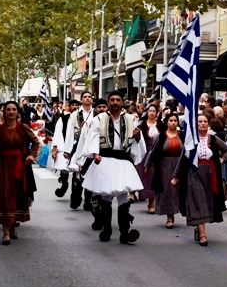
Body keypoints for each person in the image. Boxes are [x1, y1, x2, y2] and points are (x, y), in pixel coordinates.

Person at [81, 90, 143, 244]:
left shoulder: (130, 119)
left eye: (118, 100)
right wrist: (95, 153)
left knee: (123, 197)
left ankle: (124, 233)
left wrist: (137, 137)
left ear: (122, 102)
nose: (115, 102)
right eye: (112, 100)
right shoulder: (99, 119)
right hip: (105, 160)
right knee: (106, 197)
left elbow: (137, 143)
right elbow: (93, 137)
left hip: (122, 161)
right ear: (108, 102)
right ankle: (106, 230)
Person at [172, 114, 227, 246]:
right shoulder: (191, 140)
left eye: (205, 121)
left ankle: (198, 229)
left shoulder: (213, 139)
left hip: (210, 174)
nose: (203, 124)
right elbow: (183, 158)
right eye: (200, 121)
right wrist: (176, 176)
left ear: (208, 124)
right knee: (199, 201)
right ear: (196, 124)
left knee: (206, 202)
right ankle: (203, 235)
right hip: (194, 172)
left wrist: (222, 160)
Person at [0, 101, 40, 245]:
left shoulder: (23, 128)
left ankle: (13, 227)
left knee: (17, 196)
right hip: (3, 167)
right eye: (8, 109)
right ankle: (5, 233)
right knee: (4, 197)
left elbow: (36, 142)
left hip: (19, 167)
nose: (10, 112)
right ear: (4, 112)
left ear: (17, 112)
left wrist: (31, 155)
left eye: (13, 109)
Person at [145, 114, 184, 229]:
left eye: (175, 120)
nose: (173, 122)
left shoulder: (182, 136)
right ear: (167, 122)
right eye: (171, 120)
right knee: (168, 191)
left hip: (180, 165)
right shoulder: (161, 136)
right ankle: (169, 217)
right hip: (165, 166)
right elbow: (153, 151)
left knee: (180, 191)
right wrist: (148, 165)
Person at [57, 92, 94, 209]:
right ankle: (76, 198)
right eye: (85, 97)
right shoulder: (74, 115)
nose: (87, 99)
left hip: (91, 148)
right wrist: (67, 150)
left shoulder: (96, 114)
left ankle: (89, 200)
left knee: (90, 174)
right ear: (81, 100)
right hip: (78, 147)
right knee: (77, 173)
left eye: (89, 97)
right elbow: (69, 132)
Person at [135, 105, 161, 214]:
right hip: (146, 152)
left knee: (158, 176)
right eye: (150, 111)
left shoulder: (161, 124)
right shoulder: (142, 125)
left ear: (157, 113)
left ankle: (157, 201)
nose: (151, 113)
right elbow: (138, 139)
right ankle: (150, 202)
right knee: (147, 176)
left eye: (153, 111)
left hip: (159, 154)